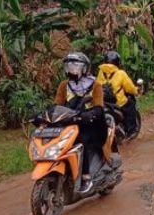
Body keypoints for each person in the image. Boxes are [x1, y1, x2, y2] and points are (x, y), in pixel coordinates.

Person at [54, 52, 107, 192]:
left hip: (91, 124)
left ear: (84, 68)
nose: (71, 69)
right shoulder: (64, 85)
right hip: (69, 122)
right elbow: (57, 105)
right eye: (69, 66)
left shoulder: (95, 85)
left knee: (80, 141)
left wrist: (88, 114)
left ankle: (86, 176)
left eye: (75, 66)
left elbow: (99, 107)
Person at [96, 51, 140, 138]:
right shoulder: (121, 73)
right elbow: (130, 88)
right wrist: (136, 91)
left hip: (103, 102)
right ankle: (131, 130)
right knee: (131, 105)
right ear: (117, 62)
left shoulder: (101, 72)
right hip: (118, 103)